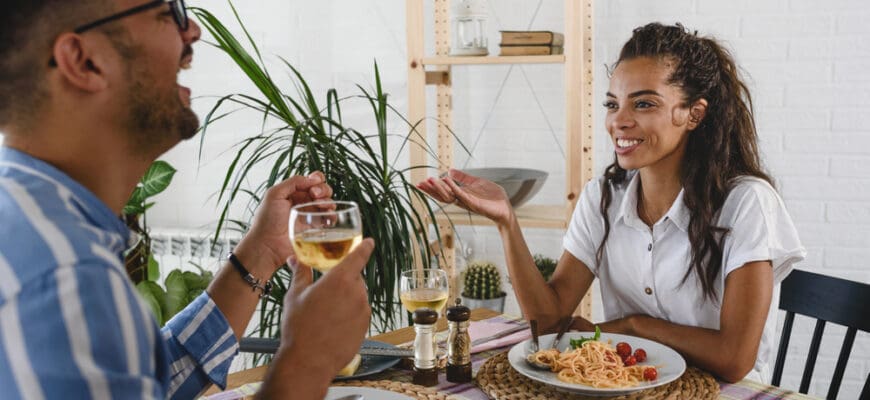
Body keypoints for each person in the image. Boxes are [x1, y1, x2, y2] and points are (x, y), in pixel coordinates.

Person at [0, 1, 371, 399]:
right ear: (85, 61)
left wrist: (262, 252)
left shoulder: (27, 222)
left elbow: (145, 378)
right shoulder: (64, 280)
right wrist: (306, 360)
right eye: (166, 14)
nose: (192, 30)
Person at [417, 22, 805, 383]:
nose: (618, 121)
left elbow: (735, 359)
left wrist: (632, 326)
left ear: (693, 114)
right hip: (627, 386)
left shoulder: (746, 203)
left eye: (644, 104)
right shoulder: (603, 197)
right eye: (611, 104)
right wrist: (507, 221)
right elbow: (550, 322)